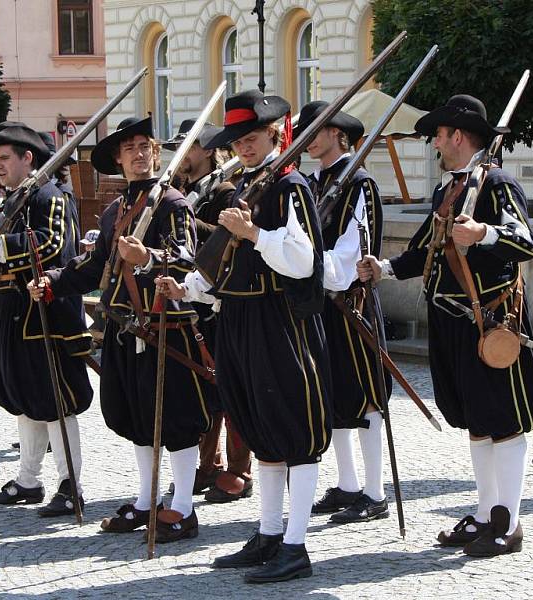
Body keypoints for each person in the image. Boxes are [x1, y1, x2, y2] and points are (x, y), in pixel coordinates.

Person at [357, 94, 533, 557]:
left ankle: (510, 523)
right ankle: (485, 516)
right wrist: (383, 269)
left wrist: (485, 234)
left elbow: (527, 243)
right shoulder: (449, 190)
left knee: (503, 422)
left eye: (439, 135)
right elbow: (427, 248)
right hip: (452, 320)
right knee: (476, 422)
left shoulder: (496, 183)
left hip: (490, 321)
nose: (435, 143)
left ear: (458, 136)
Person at [157, 89, 332, 583]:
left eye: (252, 138)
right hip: (239, 319)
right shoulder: (242, 185)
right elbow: (222, 260)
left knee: (294, 433)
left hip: (279, 322)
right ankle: (269, 534)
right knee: (261, 431)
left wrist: (255, 234)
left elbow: (303, 261)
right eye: (238, 140)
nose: (245, 147)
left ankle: (295, 544)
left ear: (274, 134)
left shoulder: (290, 185)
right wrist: (189, 286)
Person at [28, 116, 217, 542]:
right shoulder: (116, 210)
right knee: (136, 417)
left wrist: (148, 256)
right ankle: (147, 502)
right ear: (118, 158)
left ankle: (183, 508)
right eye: (128, 148)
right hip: (123, 327)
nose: (138, 154)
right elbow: (94, 267)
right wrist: (55, 282)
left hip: (163, 327)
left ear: (155, 152)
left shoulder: (173, 204)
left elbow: (189, 261)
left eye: (144, 146)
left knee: (176, 419)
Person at [0, 123, 93, 517]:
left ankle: (71, 485)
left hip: (46, 314)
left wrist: (2, 243)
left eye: (5, 159)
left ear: (29, 158)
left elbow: (55, 245)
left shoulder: (52, 196)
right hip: (12, 315)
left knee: (56, 402)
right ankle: (29, 479)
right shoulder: (14, 200)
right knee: (24, 401)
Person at [293, 101, 393, 524]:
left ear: (338, 133)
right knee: (332, 395)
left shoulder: (360, 184)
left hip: (351, 302)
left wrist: (317, 269)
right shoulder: (313, 183)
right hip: (321, 303)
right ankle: (349, 484)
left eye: (317, 129)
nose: (309, 138)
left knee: (367, 396)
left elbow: (355, 250)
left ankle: (374, 492)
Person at [162, 119, 253, 503]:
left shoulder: (224, 190)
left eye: (190, 147)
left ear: (208, 149)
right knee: (202, 389)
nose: (182, 154)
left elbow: (227, 238)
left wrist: (182, 218)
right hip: (190, 298)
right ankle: (207, 464)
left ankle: (239, 470)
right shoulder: (183, 189)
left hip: (219, 299)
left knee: (230, 389)